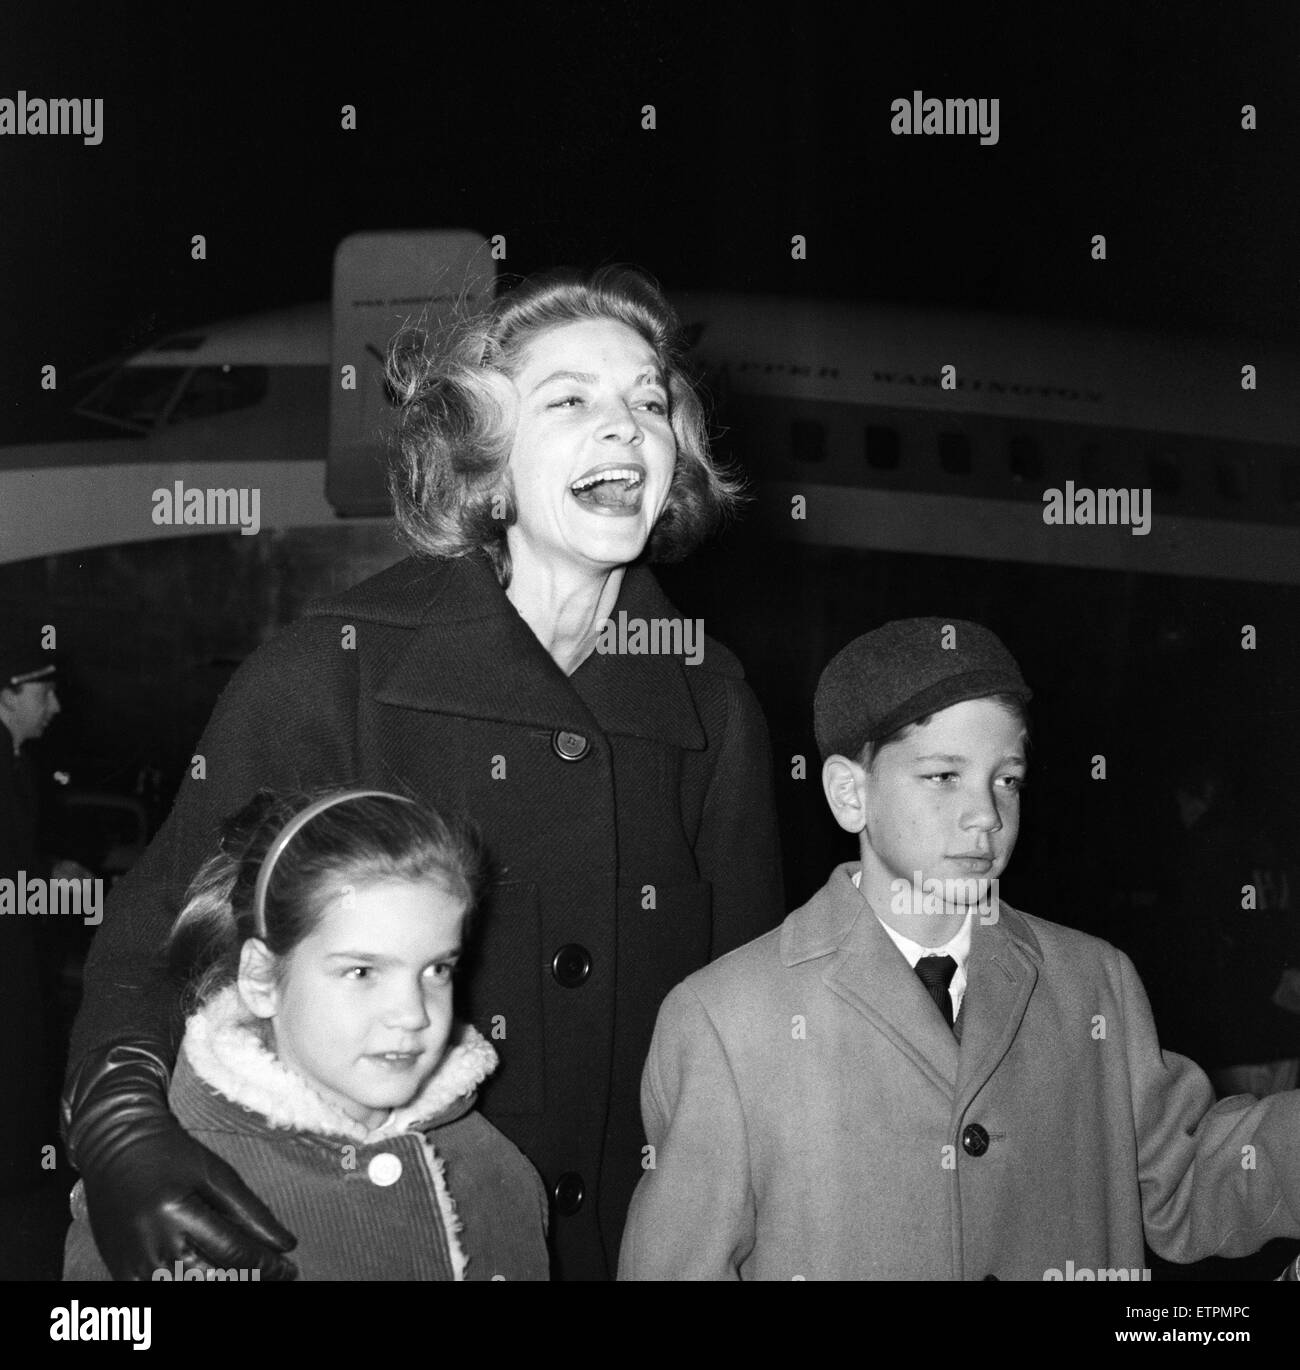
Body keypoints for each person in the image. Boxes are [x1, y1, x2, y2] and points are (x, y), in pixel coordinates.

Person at [62, 266, 785, 1281]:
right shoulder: (328, 676)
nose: (625, 426)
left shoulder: (712, 704)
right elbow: (155, 952)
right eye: (570, 399)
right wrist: (122, 1127)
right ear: (483, 463)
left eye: (649, 403)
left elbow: (748, 1027)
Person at [618, 618, 1300, 1280]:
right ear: (850, 795)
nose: (986, 813)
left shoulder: (1093, 983)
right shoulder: (725, 1019)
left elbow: (1184, 1182)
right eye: (944, 775)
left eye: (1006, 778)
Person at [64, 787, 548, 1280]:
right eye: (361, 971)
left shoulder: (495, 1170)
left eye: (437, 970)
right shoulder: (167, 1207)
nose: (412, 1015)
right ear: (260, 979)